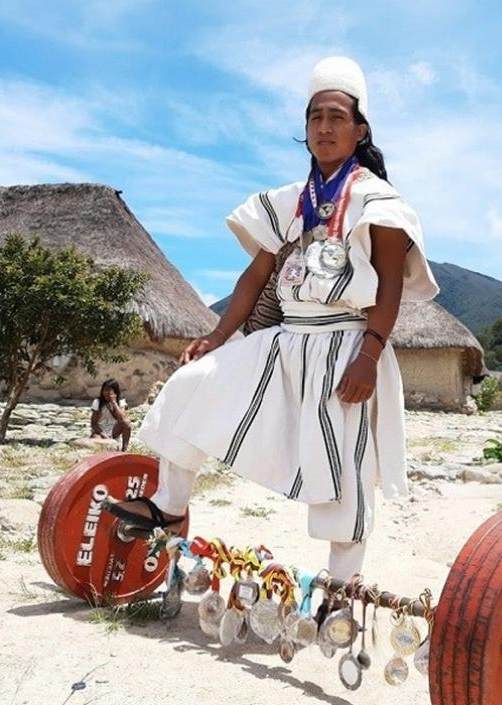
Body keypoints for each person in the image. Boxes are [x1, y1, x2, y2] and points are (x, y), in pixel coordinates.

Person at [110, 57, 439, 583]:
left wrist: (370, 356)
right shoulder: (288, 202)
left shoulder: (381, 204)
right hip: (287, 339)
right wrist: (217, 336)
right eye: (315, 118)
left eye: (336, 117)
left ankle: (342, 586)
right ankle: (169, 503)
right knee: (194, 383)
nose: (325, 128)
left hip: (346, 346)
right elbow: (255, 275)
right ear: (305, 129)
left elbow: (390, 286)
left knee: (343, 469)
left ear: (360, 130)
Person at [89, 378, 131, 451]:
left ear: (115, 392)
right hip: (100, 431)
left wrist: (114, 403)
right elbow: (94, 424)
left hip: (114, 430)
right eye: (104, 390)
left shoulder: (120, 402)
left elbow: (123, 419)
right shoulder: (97, 402)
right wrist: (104, 435)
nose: (106, 393)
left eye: (109, 391)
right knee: (96, 442)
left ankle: (124, 450)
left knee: (127, 423)